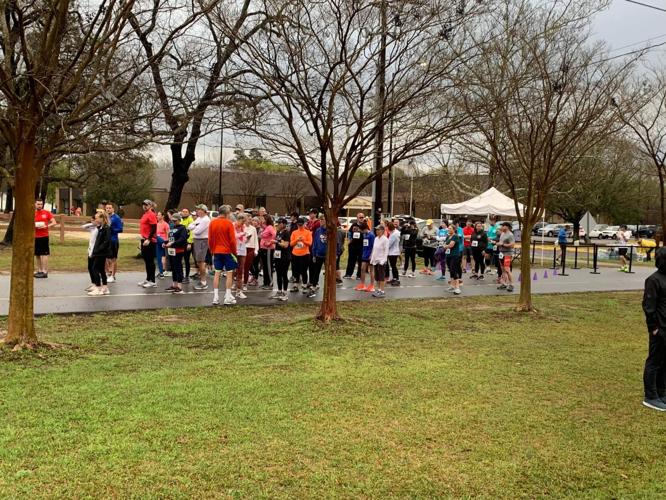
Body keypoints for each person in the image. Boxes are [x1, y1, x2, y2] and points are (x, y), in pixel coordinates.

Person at [642, 247, 666, 411]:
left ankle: (661, 391)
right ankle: (650, 396)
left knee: (664, 362)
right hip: (659, 328)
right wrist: (654, 328)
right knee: (655, 361)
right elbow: (648, 306)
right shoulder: (653, 280)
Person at [208, 205, 238, 305]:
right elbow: (233, 240)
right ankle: (228, 296)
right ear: (226, 213)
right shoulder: (229, 223)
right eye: (229, 213)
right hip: (227, 251)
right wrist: (234, 252)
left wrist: (212, 250)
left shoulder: (212, 223)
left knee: (217, 273)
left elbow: (210, 239)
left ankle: (215, 297)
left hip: (216, 251)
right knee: (229, 273)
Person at [164, 212, 189, 294]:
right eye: (172, 221)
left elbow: (182, 239)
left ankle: (179, 286)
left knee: (178, 267)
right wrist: (165, 242)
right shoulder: (172, 227)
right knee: (173, 268)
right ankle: (174, 284)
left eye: (175, 221)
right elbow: (171, 238)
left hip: (179, 250)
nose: (173, 222)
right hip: (171, 250)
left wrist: (173, 243)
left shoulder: (182, 228)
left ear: (179, 220)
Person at [190, 204, 211, 290]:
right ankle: (202, 279)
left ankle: (203, 282)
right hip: (197, 240)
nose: (197, 211)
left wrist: (194, 227)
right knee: (199, 262)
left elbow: (197, 231)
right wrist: (194, 227)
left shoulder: (206, 220)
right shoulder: (199, 219)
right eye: (197, 209)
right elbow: (190, 226)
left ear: (204, 211)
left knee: (201, 262)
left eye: (199, 209)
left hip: (202, 241)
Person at [34, 199, 56, 278]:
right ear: (35, 204)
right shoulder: (33, 213)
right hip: (35, 236)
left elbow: (54, 222)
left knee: (44, 254)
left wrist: (46, 226)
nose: (40, 205)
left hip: (44, 236)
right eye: (38, 204)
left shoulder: (46, 213)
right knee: (37, 254)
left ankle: (44, 271)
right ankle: (39, 270)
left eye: (41, 204)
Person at [138, 199, 158, 288]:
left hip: (150, 241)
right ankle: (148, 279)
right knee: (146, 260)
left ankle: (152, 281)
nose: (144, 206)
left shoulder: (152, 214)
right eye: (143, 204)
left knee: (150, 261)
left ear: (150, 205)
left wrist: (149, 239)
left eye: (146, 204)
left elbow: (154, 228)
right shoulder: (145, 214)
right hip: (144, 239)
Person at [290, 217, 312, 292]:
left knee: (304, 270)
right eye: (298, 225)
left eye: (301, 225)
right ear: (297, 225)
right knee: (295, 270)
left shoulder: (307, 232)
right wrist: (297, 240)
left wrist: (303, 240)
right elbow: (291, 244)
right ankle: (295, 285)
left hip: (305, 254)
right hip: (295, 254)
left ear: (304, 224)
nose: (300, 226)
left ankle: (304, 285)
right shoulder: (294, 232)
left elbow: (310, 243)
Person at [272, 218, 291, 301]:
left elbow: (286, 245)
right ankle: (279, 291)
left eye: (279, 223)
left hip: (285, 257)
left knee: (284, 274)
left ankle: (285, 293)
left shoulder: (286, 233)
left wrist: (277, 242)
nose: (278, 225)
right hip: (277, 256)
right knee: (278, 274)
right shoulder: (278, 232)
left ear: (283, 224)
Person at [307, 223, 328, 297]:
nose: (322, 222)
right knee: (316, 271)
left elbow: (335, 243)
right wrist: (314, 254)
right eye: (321, 220)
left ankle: (328, 286)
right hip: (319, 254)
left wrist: (336, 253)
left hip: (328, 255)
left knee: (329, 272)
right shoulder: (318, 230)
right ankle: (314, 285)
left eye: (323, 220)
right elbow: (315, 242)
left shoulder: (330, 230)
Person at [104, 202, 123, 282]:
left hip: (113, 240)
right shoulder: (105, 217)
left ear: (113, 209)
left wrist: (111, 229)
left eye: (109, 208)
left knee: (113, 259)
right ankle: (108, 273)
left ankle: (113, 276)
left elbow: (120, 229)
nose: (108, 209)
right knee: (104, 258)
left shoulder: (116, 218)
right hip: (105, 241)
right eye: (107, 208)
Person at [354, 222, 375, 292]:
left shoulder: (371, 235)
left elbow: (374, 246)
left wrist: (372, 254)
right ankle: (362, 284)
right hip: (364, 254)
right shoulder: (364, 234)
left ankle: (372, 285)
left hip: (370, 255)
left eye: (361, 230)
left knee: (371, 270)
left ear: (365, 229)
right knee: (362, 268)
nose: (361, 231)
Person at [370, 225, 389, 298]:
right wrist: (372, 259)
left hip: (381, 261)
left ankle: (382, 291)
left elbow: (386, 251)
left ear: (382, 231)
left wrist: (383, 260)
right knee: (377, 277)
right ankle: (378, 289)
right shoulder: (376, 239)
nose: (377, 231)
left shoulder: (385, 239)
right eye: (376, 230)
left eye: (378, 230)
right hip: (375, 260)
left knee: (381, 276)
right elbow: (374, 249)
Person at [444, 222, 463, 295]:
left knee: (454, 270)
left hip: (455, 255)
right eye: (448, 228)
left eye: (450, 228)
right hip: (448, 255)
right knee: (451, 270)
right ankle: (452, 285)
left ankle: (457, 287)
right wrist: (445, 246)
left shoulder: (455, 236)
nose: (448, 229)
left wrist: (445, 246)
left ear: (454, 229)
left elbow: (451, 245)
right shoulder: (448, 236)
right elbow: (445, 244)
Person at [233, 214, 248, 299]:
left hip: (242, 250)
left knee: (240, 271)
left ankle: (239, 291)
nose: (243, 223)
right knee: (231, 271)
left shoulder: (243, 227)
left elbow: (244, 239)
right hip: (234, 250)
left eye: (244, 222)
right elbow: (234, 236)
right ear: (239, 219)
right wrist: (242, 234)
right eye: (242, 221)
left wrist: (246, 237)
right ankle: (229, 290)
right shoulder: (233, 225)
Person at [259, 214, 276, 290]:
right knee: (265, 267)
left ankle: (270, 283)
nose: (261, 220)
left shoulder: (270, 227)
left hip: (268, 249)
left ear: (266, 219)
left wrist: (270, 242)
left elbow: (275, 235)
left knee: (268, 266)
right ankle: (265, 282)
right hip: (263, 249)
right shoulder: (264, 228)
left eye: (262, 219)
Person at [497, 222, 515, 292]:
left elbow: (512, 245)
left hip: (507, 254)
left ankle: (511, 285)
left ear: (507, 227)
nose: (501, 227)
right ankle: (504, 283)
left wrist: (503, 244)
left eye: (503, 226)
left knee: (507, 269)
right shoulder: (502, 233)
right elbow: (501, 242)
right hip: (501, 253)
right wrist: (498, 244)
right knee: (503, 269)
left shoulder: (510, 235)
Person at [180, 208, 195, 282]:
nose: (184, 213)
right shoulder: (181, 220)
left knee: (186, 260)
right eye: (183, 212)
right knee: (180, 259)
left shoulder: (190, 220)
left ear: (189, 213)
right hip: (181, 242)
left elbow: (192, 232)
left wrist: (189, 243)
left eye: (186, 212)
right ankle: (181, 275)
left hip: (188, 243)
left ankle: (187, 276)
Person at [244, 216, 258, 288]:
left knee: (247, 267)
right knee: (239, 267)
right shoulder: (242, 227)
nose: (250, 221)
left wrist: (256, 250)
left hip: (251, 249)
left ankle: (244, 284)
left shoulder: (253, 228)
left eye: (251, 219)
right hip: (243, 248)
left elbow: (256, 240)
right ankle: (237, 282)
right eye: (248, 219)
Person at [155, 211, 170, 279]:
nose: (157, 216)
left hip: (163, 241)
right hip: (157, 241)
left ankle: (163, 271)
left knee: (163, 256)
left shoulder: (166, 224)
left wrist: (166, 242)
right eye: (157, 215)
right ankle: (161, 271)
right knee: (158, 257)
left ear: (162, 216)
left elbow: (168, 234)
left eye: (158, 215)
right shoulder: (156, 224)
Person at [387, 221, 401, 286]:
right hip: (394, 251)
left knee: (393, 266)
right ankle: (394, 278)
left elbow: (389, 244)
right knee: (393, 266)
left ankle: (397, 279)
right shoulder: (396, 232)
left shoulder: (394, 234)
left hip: (393, 252)